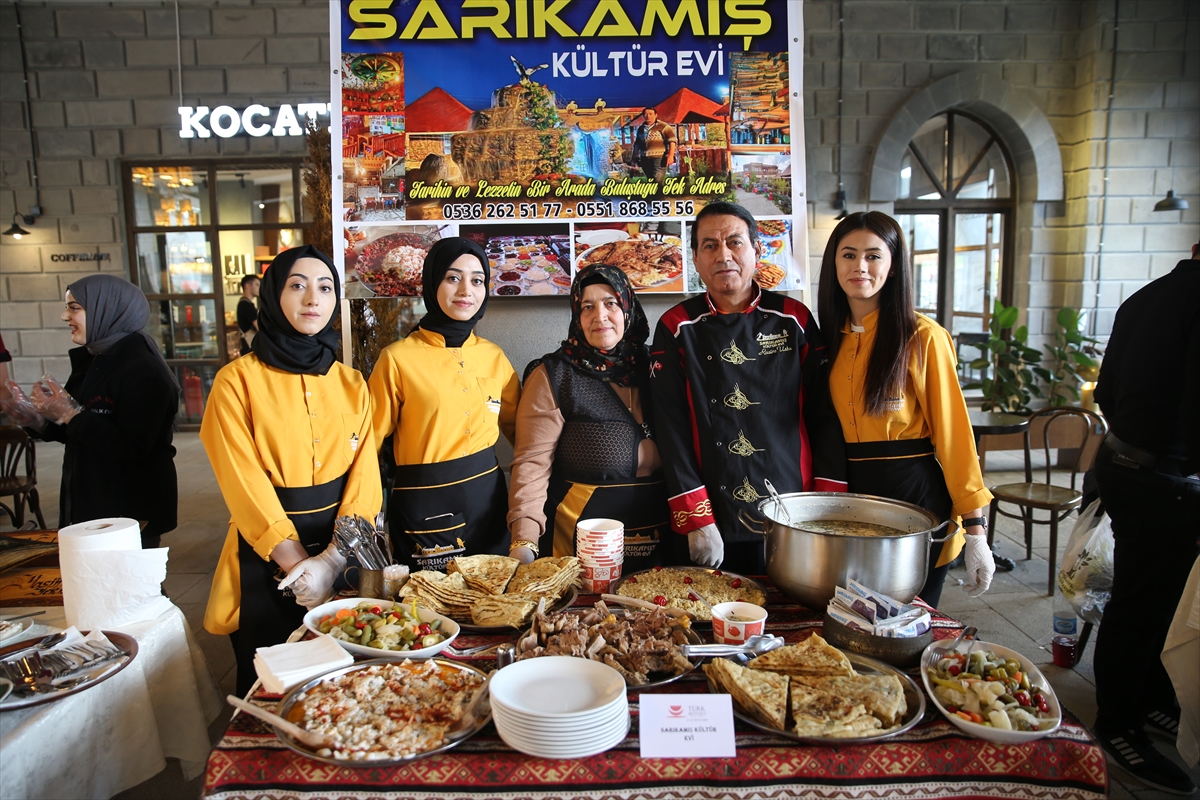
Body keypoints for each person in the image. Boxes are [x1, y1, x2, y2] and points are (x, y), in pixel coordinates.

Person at [200, 245, 382, 695]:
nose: (312, 300)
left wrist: (332, 560)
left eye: (324, 288)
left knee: (346, 676)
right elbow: (242, 480)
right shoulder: (236, 381)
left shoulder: (351, 382)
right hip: (266, 552)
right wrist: (300, 565)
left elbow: (365, 477)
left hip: (344, 545)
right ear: (272, 297)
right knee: (274, 678)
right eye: (296, 286)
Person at [649, 201, 847, 574]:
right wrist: (696, 518)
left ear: (757, 250)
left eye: (734, 242)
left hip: (792, 509)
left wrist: (828, 505)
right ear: (695, 258)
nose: (723, 255)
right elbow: (670, 430)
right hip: (712, 515)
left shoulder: (794, 318)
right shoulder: (677, 326)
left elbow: (825, 416)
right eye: (710, 245)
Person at [816, 212, 995, 607]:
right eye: (848, 254)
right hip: (850, 497)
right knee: (851, 621)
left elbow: (956, 439)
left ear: (894, 266)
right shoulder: (828, 341)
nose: (859, 266)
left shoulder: (923, 337)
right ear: (834, 263)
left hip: (914, 497)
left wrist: (977, 531)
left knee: (903, 626)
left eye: (873, 256)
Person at [1090, 243, 1199, 796]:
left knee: (1158, 596)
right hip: (1162, 478)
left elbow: (1106, 391)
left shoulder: (1147, 295)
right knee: (1142, 600)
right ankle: (1116, 721)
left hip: (1123, 461)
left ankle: (1152, 699)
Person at [507, 263, 674, 570]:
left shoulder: (658, 367)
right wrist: (524, 542)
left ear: (628, 308)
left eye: (611, 303)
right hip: (579, 549)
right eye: (587, 306)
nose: (600, 316)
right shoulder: (554, 376)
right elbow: (531, 465)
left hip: (663, 541)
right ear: (576, 316)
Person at [369, 238, 520, 572]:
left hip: (488, 504)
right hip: (424, 508)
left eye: (477, 280)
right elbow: (368, 447)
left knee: (493, 604)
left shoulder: (494, 358)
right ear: (432, 282)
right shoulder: (396, 359)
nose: (466, 289)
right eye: (452, 278)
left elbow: (523, 437)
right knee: (430, 613)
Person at [0, 275, 179, 548]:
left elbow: (132, 447)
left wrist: (70, 413)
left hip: (129, 510)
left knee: (129, 588)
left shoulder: (143, 369)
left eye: (74, 308)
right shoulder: (95, 359)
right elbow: (79, 432)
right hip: (92, 500)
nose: (64, 316)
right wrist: (35, 418)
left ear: (105, 309)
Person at [633, 107, 677, 183]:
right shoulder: (640, 128)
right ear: (643, 116)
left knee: (658, 181)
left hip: (659, 158)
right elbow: (637, 144)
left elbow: (672, 141)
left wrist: (670, 156)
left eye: (650, 114)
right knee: (651, 181)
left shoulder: (663, 126)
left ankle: (658, 194)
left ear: (655, 115)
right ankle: (654, 195)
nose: (648, 116)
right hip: (644, 158)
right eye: (645, 114)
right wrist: (634, 158)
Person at [237, 274, 260, 356]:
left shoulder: (245, 303)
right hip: (249, 349)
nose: (259, 288)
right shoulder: (245, 305)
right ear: (247, 286)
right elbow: (259, 327)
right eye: (257, 284)